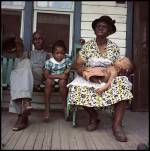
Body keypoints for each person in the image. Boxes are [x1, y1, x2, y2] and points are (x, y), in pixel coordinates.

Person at [67, 16, 133, 142]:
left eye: (104, 26)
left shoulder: (113, 47)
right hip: (90, 77)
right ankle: (94, 116)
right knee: (75, 89)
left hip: (107, 77)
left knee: (123, 84)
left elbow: (117, 66)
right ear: (94, 30)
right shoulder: (87, 46)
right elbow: (78, 65)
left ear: (109, 31)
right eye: (98, 26)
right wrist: (87, 75)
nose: (101, 28)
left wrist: (110, 75)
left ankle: (116, 126)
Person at [43, 40, 72, 122]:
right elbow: (46, 75)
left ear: (64, 53)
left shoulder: (66, 61)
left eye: (62, 53)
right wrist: (59, 76)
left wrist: (68, 69)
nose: (59, 55)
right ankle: (47, 107)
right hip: (51, 79)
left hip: (62, 80)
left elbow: (71, 67)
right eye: (57, 53)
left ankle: (65, 106)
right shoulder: (49, 62)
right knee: (48, 82)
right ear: (52, 54)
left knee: (62, 82)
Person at [8, 37, 33, 131]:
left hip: (35, 76)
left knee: (24, 65)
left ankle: (21, 116)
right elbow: (18, 55)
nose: (18, 46)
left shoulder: (41, 55)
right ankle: (25, 108)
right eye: (16, 44)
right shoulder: (24, 54)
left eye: (19, 44)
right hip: (24, 77)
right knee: (15, 75)